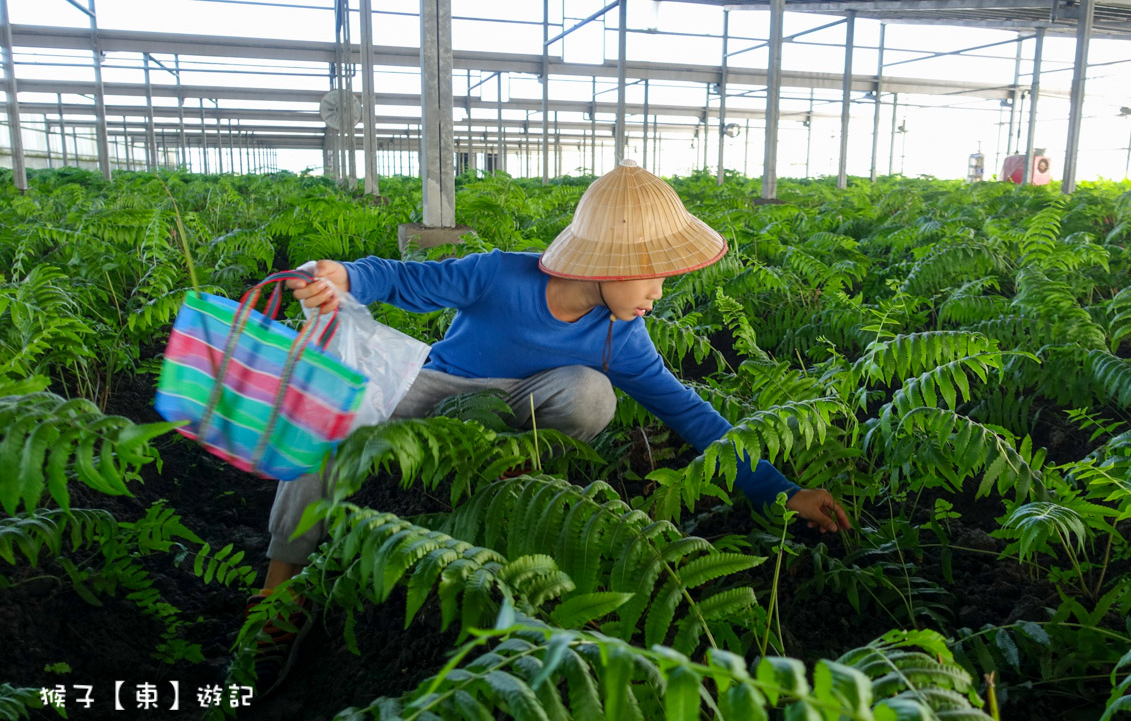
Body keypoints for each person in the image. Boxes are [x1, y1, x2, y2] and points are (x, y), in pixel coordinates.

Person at [249, 160, 851, 694]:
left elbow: (690, 412)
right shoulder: (500, 275)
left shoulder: (623, 339)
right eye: (652, 276)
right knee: (330, 413)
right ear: (611, 266)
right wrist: (344, 277)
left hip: (516, 417)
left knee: (591, 395)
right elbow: (409, 282)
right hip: (432, 389)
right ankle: (278, 594)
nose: (658, 293)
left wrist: (781, 491)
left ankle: (502, 494)